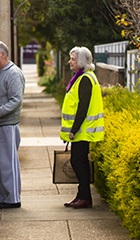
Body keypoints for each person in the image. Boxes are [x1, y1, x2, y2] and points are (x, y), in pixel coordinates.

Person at [61, 46, 104, 209]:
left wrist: (73, 130)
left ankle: (85, 197)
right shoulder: (82, 77)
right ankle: (81, 195)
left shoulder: (85, 78)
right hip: (82, 130)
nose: (70, 62)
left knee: (78, 162)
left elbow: (83, 107)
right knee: (79, 161)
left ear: (81, 61)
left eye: (72, 59)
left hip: (83, 131)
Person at [0, 41, 25, 209]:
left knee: (7, 163)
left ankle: (13, 198)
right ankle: (1, 197)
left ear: (2, 54)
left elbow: (16, 100)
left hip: (7, 124)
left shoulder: (14, 73)